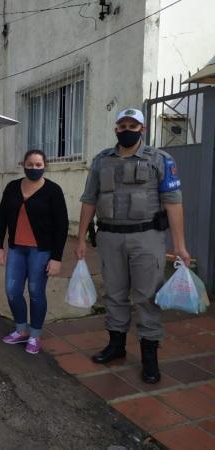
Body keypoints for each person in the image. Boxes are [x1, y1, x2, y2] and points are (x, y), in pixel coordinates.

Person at [76, 108, 190, 384]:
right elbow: (89, 200)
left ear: (143, 129)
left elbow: (173, 202)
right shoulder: (101, 161)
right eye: (122, 125)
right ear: (116, 129)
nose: (127, 129)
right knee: (114, 294)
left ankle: (150, 357)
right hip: (110, 237)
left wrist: (180, 246)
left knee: (147, 296)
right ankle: (116, 346)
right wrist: (80, 239)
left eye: (133, 125)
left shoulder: (160, 159)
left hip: (146, 237)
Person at [0, 150, 69, 354]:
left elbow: (61, 226)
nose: (34, 168)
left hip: (41, 252)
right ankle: (21, 330)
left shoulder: (53, 191)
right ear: (23, 165)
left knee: (36, 293)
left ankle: (35, 335)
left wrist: (56, 258)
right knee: (12, 291)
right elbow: (1, 218)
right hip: (17, 250)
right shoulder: (12, 187)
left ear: (45, 165)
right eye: (30, 164)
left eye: (38, 165)